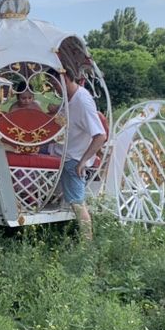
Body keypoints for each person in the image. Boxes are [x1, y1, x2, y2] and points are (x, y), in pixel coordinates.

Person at [58, 70, 107, 241]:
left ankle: (87, 245)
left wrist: (83, 161)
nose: (53, 89)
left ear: (64, 78)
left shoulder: (82, 101)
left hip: (73, 159)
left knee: (78, 203)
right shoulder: (69, 98)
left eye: (53, 83)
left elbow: (100, 136)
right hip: (60, 153)